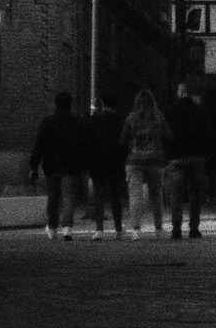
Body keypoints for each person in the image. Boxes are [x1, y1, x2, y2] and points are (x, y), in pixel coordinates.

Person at [28, 91, 87, 241]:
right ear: (70, 104)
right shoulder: (77, 121)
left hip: (52, 165)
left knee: (53, 197)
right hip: (71, 165)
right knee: (68, 196)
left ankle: (52, 228)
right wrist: (84, 163)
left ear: (56, 104)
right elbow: (84, 145)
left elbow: (39, 145)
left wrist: (34, 165)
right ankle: (67, 229)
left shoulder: (47, 122)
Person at [165, 83, 214, 239]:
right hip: (196, 157)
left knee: (176, 195)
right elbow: (208, 135)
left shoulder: (171, 112)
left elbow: (166, 136)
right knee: (195, 195)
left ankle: (176, 228)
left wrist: (168, 155)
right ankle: (194, 228)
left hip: (176, 158)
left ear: (179, 93)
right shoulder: (201, 112)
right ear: (190, 94)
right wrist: (206, 154)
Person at [120, 88, 170, 237]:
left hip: (134, 161)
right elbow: (168, 136)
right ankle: (158, 228)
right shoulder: (159, 118)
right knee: (156, 196)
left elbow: (123, 140)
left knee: (135, 197)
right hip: (156, 161)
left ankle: (136, 230)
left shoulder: (131, 118)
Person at [85, 90, 127, 240]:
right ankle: (118, 229)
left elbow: (89, 140)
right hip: (116, 161)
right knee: (116, 196)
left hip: (97, 160)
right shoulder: (121, 119)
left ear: (102, 103)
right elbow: (124, 141)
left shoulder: (95, 118)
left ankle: (99, 229)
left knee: (99, 196)